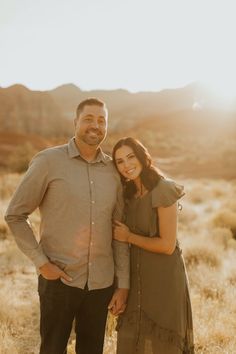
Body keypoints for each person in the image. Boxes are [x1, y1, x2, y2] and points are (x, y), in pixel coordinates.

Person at [5, 98, 129, 354]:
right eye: (88, 119)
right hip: (58, 280)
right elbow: (15, 215)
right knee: (51, 349)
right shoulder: (48, 161)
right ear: (75, 123)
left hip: (101, 283)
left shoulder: (113, 172)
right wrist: (41, 262)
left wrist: (123, 284)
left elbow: (119, 232)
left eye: (101, 120)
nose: (95, 125)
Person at [112, 137, 194, 354]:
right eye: (120, 161)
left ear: (142, 156)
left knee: (161, 342)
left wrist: (128, 237)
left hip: (164, 278)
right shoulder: (128, 195)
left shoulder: (163, 189)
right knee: (133, 338)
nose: (127, 165)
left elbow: (167, 245)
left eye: (130, 157)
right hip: (137, 276)